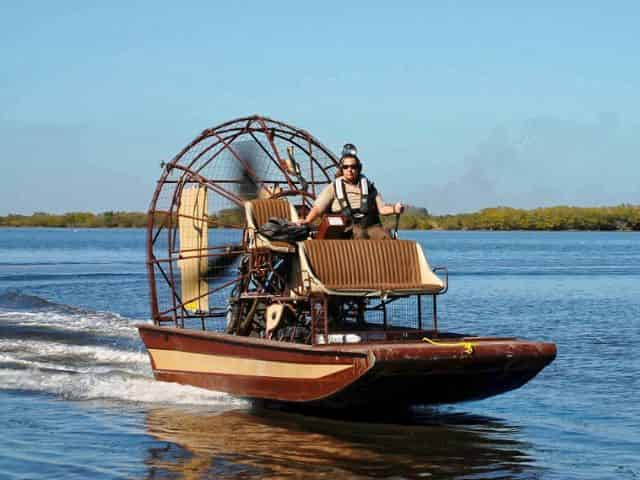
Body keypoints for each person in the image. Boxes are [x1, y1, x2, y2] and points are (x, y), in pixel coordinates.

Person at [300, 143, 404, 239]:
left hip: (370, 225)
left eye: (353, 167)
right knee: (359, 234)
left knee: (384, 235)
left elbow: (382, 209)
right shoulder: (334, 186)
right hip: (347, 226)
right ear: (342, 169)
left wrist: (395, 209)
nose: (349, 170)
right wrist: (307, 220)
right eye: (346, 167)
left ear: (358, 169)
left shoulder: (369, 186)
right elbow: (318, 208)